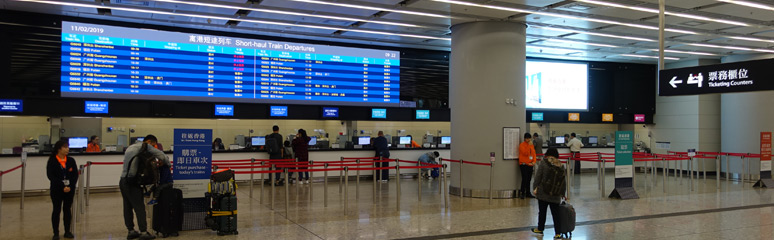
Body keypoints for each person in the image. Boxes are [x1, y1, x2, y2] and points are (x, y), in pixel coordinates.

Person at [120, 135, 169, 240]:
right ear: (150, 141)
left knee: (127, 206)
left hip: (123, 180)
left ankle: (131, 231)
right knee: (139, 207)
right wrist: (167, 164)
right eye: (154, 144)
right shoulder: (146, 146)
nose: (154, 147)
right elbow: (162, 156)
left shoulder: (131, 147)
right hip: (133, 182)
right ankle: (143, 232)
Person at [531, 147, 568, 239]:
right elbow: (563, 181)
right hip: (555, 194)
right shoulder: (560, 165)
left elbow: (538, 177)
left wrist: (535, 188)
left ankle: (540, 229)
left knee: (542, 212)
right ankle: (558, 233)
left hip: (543, 192)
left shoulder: (544, 163)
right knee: (556, 214)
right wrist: (563, 193)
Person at [47, 140, 79, 240]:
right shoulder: (52, 161)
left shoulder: (71, 160)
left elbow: (75, 175)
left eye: (68, 147)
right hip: (57, 189)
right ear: (59, 148)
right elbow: (51, 176)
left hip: (69, 189)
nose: (67, 149)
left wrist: (70, 186)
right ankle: (56, 232)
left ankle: (67, 231)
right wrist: (62, 186)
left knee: (67, 209)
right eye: (65, 147)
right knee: (56, 210)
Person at [518, 133, 537, 199]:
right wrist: (529, 146)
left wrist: (534, 161)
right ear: (524, 138)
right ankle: (522, 193)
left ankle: (528, 193)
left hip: (530, 164)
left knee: (529, 179)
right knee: (524, 178)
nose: (528, 140)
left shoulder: (532, 145)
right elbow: (525, 153)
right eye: (527, 138)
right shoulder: (522, 145)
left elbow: (534, 154)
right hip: (523, 164)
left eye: (529, 138)